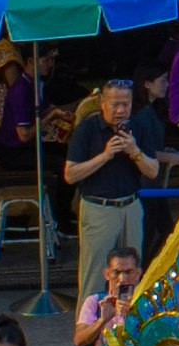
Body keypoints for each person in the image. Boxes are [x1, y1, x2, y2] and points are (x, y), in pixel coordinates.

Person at [60, 78, 160, 287]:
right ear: (103, 104)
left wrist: (134, 151)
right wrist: (105, 156)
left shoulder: (138, 126)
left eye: (126, 104)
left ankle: (127, 319)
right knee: (95, 277)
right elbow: (70, 174)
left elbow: (153, 171)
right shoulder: (87, 128)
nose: (121, 110)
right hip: (99, 208)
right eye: (115, 104)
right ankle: (89, 319)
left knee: (132, 275)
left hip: (131, 206)